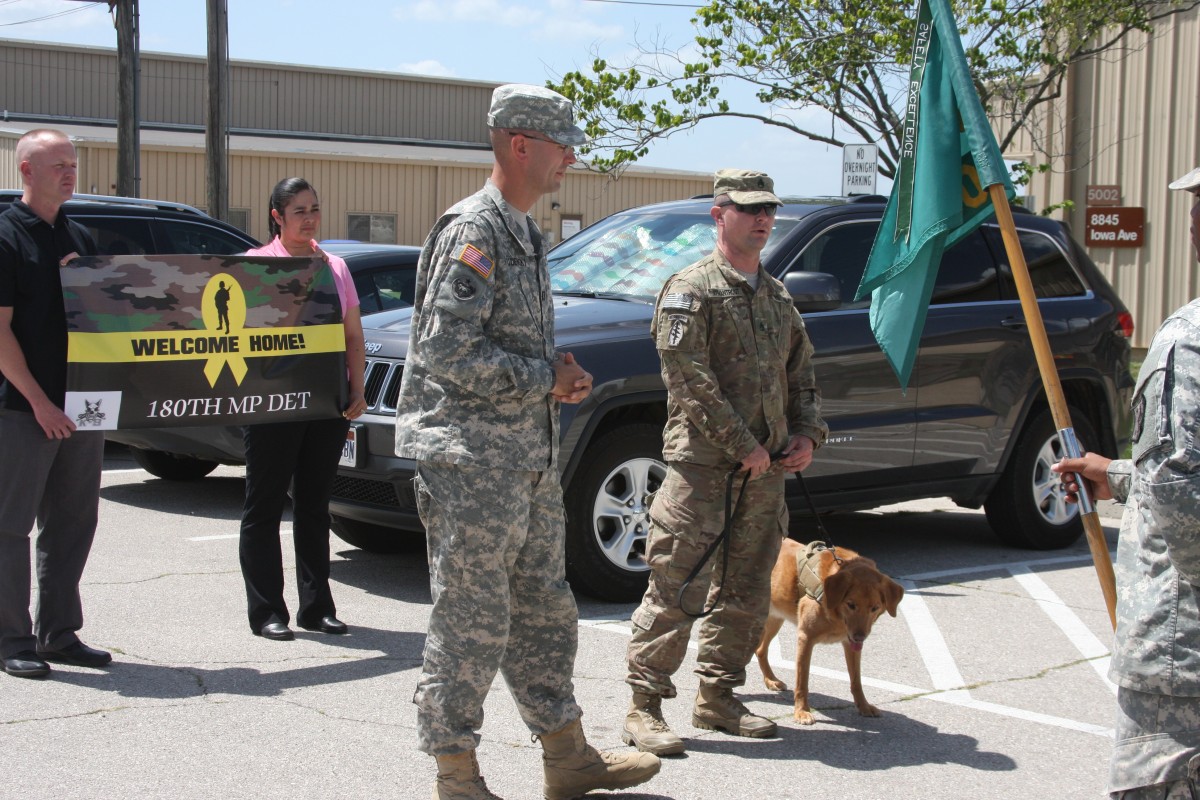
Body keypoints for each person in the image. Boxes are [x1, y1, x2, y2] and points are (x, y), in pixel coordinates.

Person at [395, 84, 661, 800]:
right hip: (472, 463)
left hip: (525, 460)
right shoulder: (475, 231)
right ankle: (456, 774)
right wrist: (542, 379)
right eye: (561, 143)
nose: (570, 157)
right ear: (519, 144)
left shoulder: (522, 230)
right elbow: (444, 350)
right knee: (472, 620)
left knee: (545, 609)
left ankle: (567, 756)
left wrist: (555, 380)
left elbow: (502, 349)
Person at [622, 169, 828, 755]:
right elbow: (688, 379)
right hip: (705, 471)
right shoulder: (691, 289)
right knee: (677, 585)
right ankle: (644, 706)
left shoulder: (776, 295)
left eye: (768, 210)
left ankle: (718, 697)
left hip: (765, 477)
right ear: (719, 214)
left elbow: (803, 376)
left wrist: (807, 434)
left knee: (746, 589)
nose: (762, 220)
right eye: (748, 210)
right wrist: (744, 444)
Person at [1053, 166, 1200, 799]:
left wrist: (1137, 483)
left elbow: (1178, 492)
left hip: (1183, 649)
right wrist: (1113, 474)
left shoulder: (1188, 343)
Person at [238, 177, 367, 641]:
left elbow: (353, 335)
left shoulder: (334, 267)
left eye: (315, 208)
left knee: (314, 506)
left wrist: (358, 387)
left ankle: (317, 608)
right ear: (277, 216)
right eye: (299, 211)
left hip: (324, 403)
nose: (310, 217)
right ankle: (268, 611)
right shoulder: (254, 266)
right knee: (265, 505)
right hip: (272, 404)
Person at [0, 129, 109, 679]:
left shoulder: (81, 237)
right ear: (26, 171)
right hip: (25, 408)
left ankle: (59, 633)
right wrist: (40, 403)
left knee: (73, 521)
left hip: (84, 406)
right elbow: (0, 334)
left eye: (73, 163)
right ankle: (12, 638)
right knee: (11, 526)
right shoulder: (5, 237)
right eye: (58, 164)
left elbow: (108, 324)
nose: (70, 172)